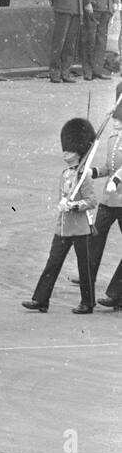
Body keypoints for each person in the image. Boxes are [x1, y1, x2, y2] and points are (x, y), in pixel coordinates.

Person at [24, 118, 98, 315]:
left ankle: (88, 302)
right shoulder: (65, 174)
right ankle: (40, 299)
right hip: (64, 227)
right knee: (52, 264)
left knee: (84, 267)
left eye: (70, 150)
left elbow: (92, 201)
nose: (65, 154)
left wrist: (74, 206)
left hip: (80, 228)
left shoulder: (85, 176)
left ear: (78, 152)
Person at [88, 89, 122, 307]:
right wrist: (93, 172)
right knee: (94, 242)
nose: (115, 124)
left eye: (118, 121)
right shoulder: (112, 140)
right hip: (108, 201)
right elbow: (110, 167)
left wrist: (117, 181)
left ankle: (116, 293)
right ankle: (87, 291)